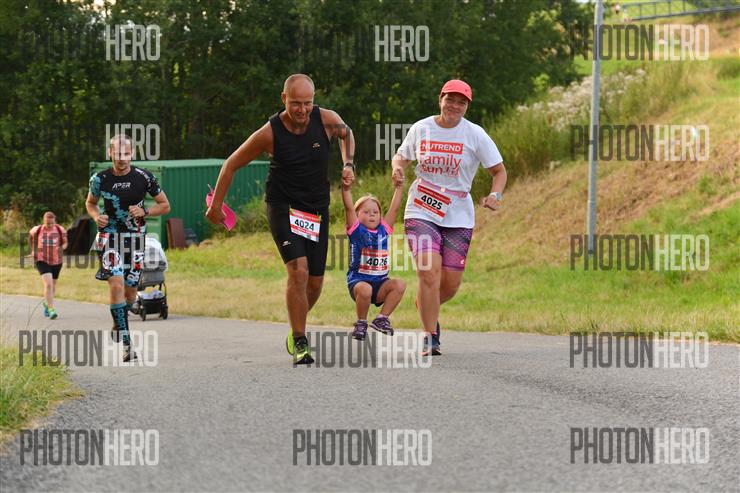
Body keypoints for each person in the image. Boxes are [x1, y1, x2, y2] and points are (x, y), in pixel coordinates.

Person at [206, 74, 355, 365]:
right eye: (296, 103)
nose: (302, 110)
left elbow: (347, 134)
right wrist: (216, 206)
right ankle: (300, 340)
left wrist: (348, 163)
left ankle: (295, 324)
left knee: (315, 283)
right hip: (283, 207)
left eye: (307, 103)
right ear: (284, 98)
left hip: (316, 209)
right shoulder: (269, 132)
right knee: (298, 271)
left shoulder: (326, 119)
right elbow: (231, 164)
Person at [391, 79, 507, 356]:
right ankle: (429, 334)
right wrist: (397, 169)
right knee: (428, 272)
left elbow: (499, 171)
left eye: (461, 102)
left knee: (451, 284)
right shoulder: (422, 128)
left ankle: (425, 304)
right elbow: (401, 157)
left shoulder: (475, 134)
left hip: (458, 214)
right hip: (421, 208)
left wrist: (496, 195)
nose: (454, 106)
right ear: (440, 99)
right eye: (450, 99)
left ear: (467, 106)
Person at [85, 134, 171, 362]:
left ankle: (119, 318)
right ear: (110, 153)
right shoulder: (99, 179)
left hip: (135, 239)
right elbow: (90, 203)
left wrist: (145, 211)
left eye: (126, 153)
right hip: (109, 237)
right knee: (116, 285)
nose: (122, 158)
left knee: (131, 293)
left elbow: (165, 205)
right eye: (117, 153)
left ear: (131, 153)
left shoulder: (144, 177)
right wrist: (96, 216)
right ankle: (127, 344)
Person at [342, 179, 406, 341]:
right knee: (365, 289)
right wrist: (346, 189)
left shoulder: (384, 230)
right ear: (357, 215)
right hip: (358, 283)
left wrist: (399, 187)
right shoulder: (356, 230)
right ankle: (361, 323)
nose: (371, 214)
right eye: (366, 212)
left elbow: (394, 208)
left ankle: (381, 319)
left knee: (399, 285)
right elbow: (348, 207)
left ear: (380, 216)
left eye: (375, 212)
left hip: (380, 284)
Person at [28, 211, 68, 319]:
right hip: (41, 259)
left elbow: (65, 242)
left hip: (56, 261)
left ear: (54, 221)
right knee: (48, 284)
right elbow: (30, 238)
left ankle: (47, 303)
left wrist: (61, 248)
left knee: (53, 285)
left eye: (51, 223)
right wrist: (33, 250)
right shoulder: (37, 229)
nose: (49, 225)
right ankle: (51, 309)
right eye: (47, 223)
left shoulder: (60, 229)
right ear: (44, 221)